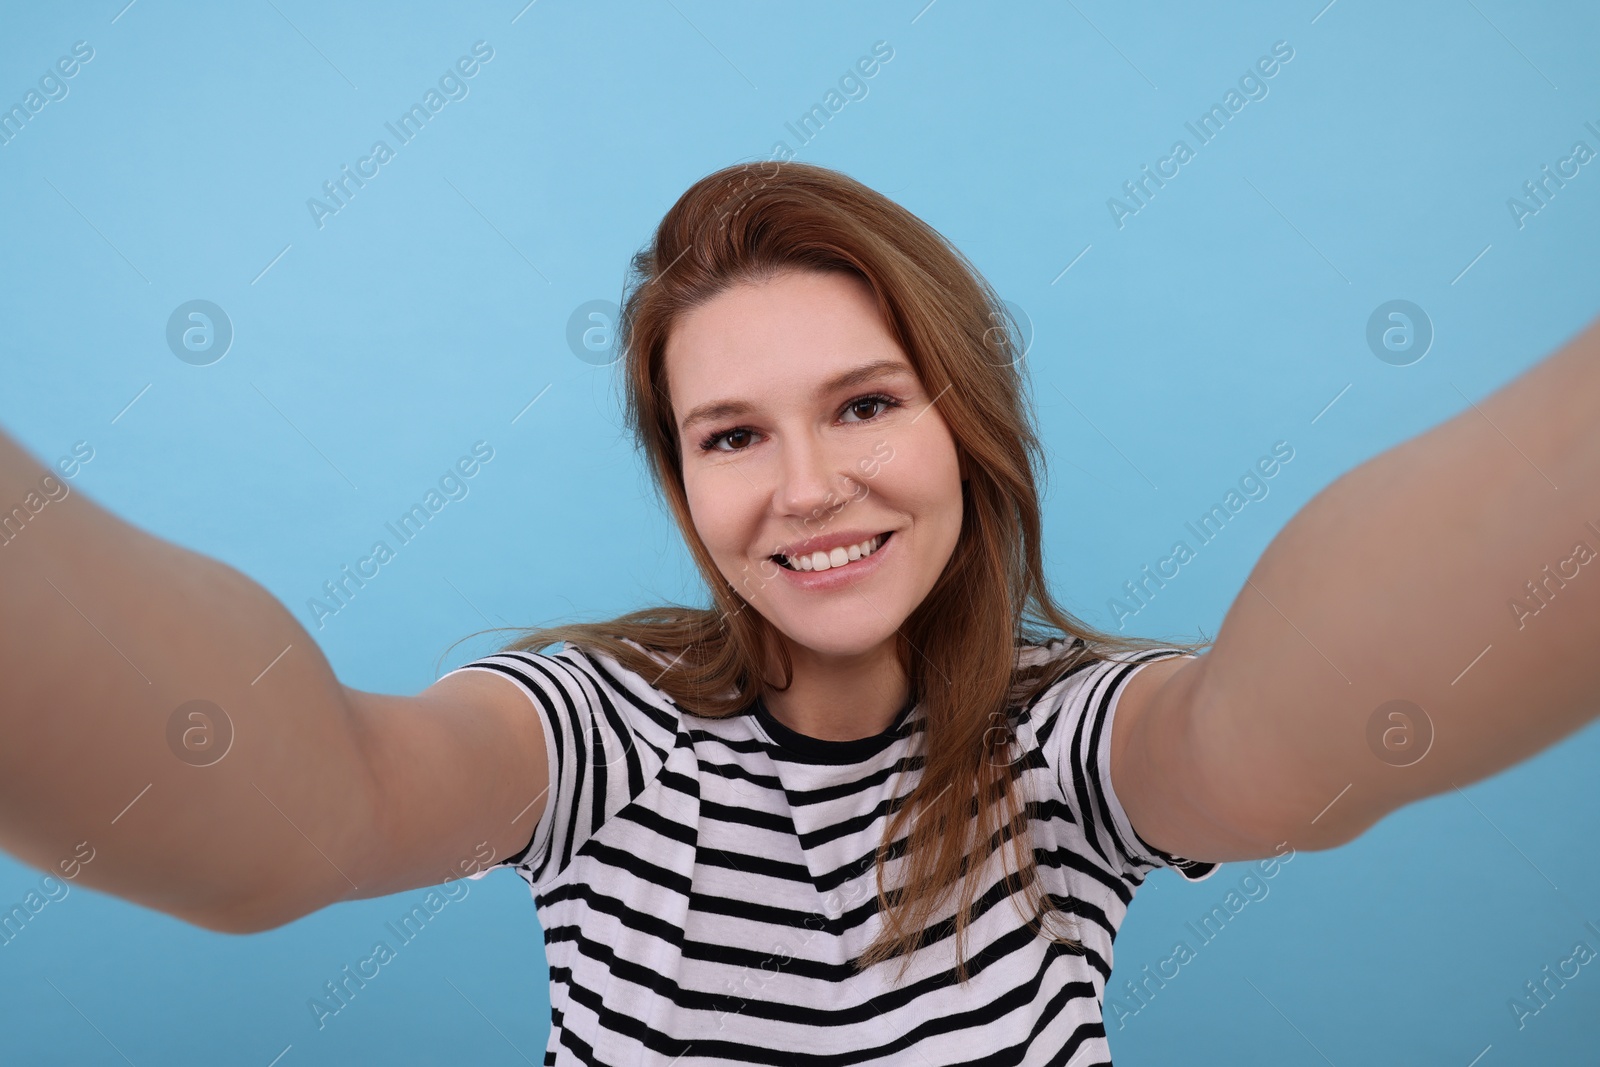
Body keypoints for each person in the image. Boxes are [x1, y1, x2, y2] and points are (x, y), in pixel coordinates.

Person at [0, 160, 1595, 1065]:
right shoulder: (602, 725)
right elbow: (313, 808)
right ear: (686, 487)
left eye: (866, 405)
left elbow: (1269, 747)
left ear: (963, 419)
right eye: (734, 436)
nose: (809, 487)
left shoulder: (1058, 744)